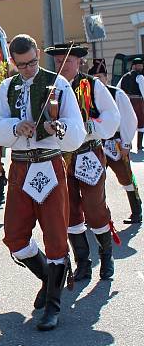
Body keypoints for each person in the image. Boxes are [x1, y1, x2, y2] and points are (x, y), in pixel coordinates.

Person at [0, 34, 86, 331]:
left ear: (38, 55)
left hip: (48, 163)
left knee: (56, 236)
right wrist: (16, 126)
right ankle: (50, 277)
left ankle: (53, 305)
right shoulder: (7, 88)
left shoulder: (58, 84)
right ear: (13, 62)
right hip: (20, 167)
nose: (29, 68)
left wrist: (58, 128)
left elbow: (76, 129)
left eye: (33, 61)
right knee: (15, 238)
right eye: (22, 65)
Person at [44, 43, 120, 282]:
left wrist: (91, 127)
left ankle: (106, 256)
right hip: (61, 156)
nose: (61, 65)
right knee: (69, 210)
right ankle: (83, 263)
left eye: (67, 61)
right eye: (57, 62)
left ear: (79, 63)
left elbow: (112, 116)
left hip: (88, 153)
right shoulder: (50, 88)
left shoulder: (92, 85)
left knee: (95, 208)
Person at [91, 59, 142, 224]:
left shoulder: (117, 94)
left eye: (100, 77)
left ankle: (137, 210)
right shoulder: (88, 96)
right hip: (97, 144)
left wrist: (127, 144)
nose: (97, 81)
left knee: (126, 176)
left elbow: (129, 119)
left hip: (116, 143)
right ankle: (100, 216)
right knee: (95, 180)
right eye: (94, 78)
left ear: (106, 77)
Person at [116, 57, 144, 151]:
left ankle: (129, 145)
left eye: (141, 65)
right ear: (134, 66)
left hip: (126, 101)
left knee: (128, 122)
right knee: (140, 123)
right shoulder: (140, 77)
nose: (141, 67)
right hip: (137, 102)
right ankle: (139, 146)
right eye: (139, 65)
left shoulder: (124, 76)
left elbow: (118, 88)